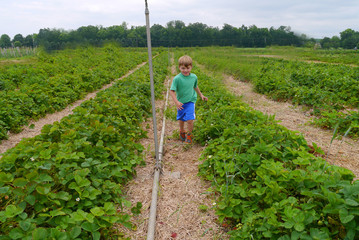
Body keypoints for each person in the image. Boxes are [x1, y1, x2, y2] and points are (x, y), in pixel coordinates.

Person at [169, 55, 208, 144]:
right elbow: (171, 91)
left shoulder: (194, 77)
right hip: (181, 103)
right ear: (179, 67)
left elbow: (195, 86)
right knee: (181, 119)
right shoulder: (177, 79)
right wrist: (176, 102)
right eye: (183, 68)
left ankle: (189, 134)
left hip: (191, 101)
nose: (185, 70)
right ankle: (182, 131)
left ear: (191, 67)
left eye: (188, 68)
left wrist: (201, 95)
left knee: (190, 120)